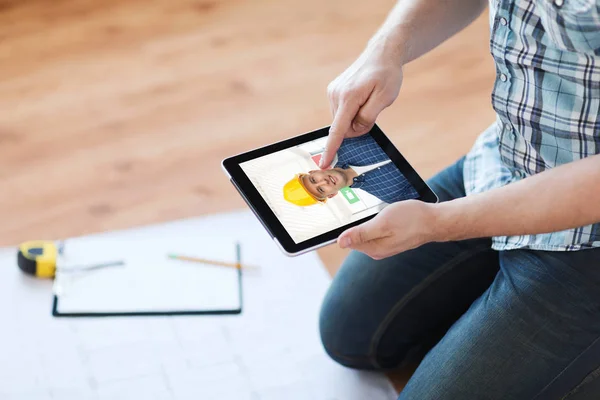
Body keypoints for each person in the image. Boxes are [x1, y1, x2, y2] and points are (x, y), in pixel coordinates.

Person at [318, 0, 600, 398]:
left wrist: (440, 222)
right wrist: (386, 47)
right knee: (350, 333)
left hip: (590, 235)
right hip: (505, 161)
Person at [282, 135, 418, 207]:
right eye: (321, 190)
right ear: (331, 195)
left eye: (313, 180)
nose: (323, 182)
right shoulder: (391, 196)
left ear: (313, 171)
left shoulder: (346, 141)